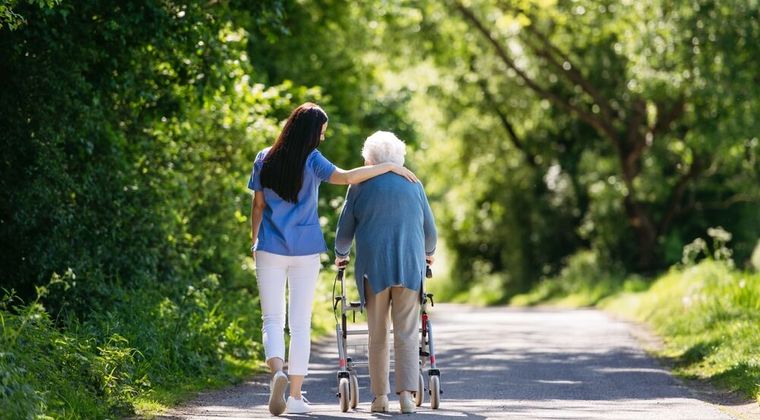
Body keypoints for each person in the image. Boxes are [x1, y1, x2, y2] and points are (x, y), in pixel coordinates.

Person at [248, 103, 417, 415]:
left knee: (271, 319)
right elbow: (348, 177)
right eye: (322, 133)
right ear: (311, 133)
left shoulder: (264, 157)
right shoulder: (312, 160)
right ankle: (295, 397)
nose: (322, 139)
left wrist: (254, 239)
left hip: (269, 247)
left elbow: (258, 206)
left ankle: (277, 373)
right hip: (306, 249)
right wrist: (389, 167)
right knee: (299, 324)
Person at [334, 131, 437, 414]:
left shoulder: (358, 186)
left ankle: (380, 398)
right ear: (398, 158)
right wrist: (429, 253)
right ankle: (406, 396)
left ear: (370, 159)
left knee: (377, 334)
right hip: (409, 266)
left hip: (373, 270)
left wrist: (340, 256)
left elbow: (344, 232)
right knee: (406, 331)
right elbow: (430, 231)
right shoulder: (414, 184)